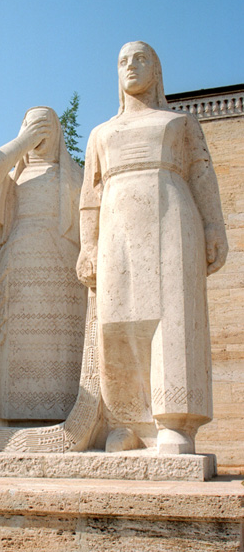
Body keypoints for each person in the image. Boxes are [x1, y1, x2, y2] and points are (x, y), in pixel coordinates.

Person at [77, 42, 228, 454]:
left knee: (173, 321)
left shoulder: (179, 125)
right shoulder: (101, 133)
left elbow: (202, 176)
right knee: (118, 321)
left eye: (141, 58)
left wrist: (215, 225)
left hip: (171, 217)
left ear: (156, 70)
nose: (131, 66)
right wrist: (86, 245)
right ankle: (127, 421)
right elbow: (90, 196)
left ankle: (173, 422)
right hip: (116, 226)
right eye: (123, 60)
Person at [0, 107, 86, 427]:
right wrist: (24, 141)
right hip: (20, 265)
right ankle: (14, 417)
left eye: (47, 123)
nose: (41, 129)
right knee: (19, 342)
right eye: (32, 122)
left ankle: (66, 415)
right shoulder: (10, 176)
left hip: (63, 268)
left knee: (63, 345)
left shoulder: (76, 176)